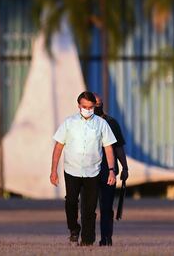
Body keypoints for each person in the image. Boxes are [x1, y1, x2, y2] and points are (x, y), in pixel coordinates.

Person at [50, 91, 117, 246]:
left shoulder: (102, 124)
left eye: (90, 107)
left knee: (89, 209)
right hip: (72, 170)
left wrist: (112, 170)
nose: (88, 109)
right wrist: (53, 170)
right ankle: (74, 228)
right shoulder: (69, 122)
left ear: (94, 106)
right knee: (71, 202)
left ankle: (87, 240)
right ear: (79, 106)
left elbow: (108, 148)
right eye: (85, 106)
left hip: (92, 172)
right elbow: (59, 146)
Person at [93, 94, 128, 246]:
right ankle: (87, 237)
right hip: (89, 171)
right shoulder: (80, 123)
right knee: (88, 208)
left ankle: (106, 237)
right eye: (95, 104)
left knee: (106, 207)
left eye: (100, 104)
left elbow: (118, 148)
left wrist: (125, 167)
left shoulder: (111, 123)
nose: (97, 107)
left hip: (108, 171)